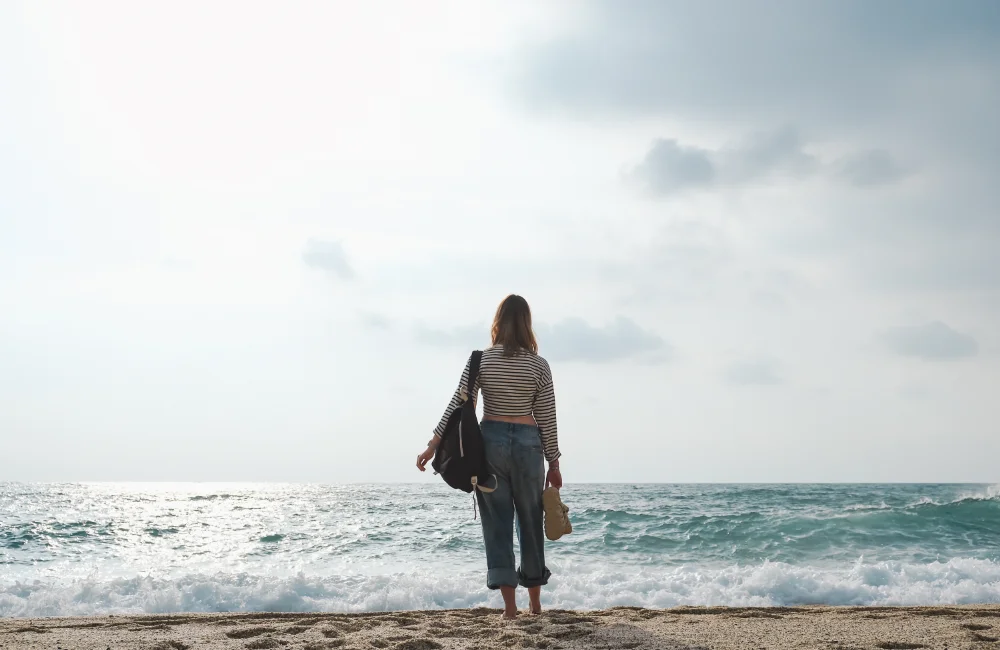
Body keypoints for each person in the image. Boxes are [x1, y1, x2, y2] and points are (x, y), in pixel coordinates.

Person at [416, 294, 562, 619]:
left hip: (491, 442)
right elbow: (547, 416)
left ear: (498, 322)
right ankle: (535, 604)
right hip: (528, 445)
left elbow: (458, 403)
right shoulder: (539, 365)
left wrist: (433, 444)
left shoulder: (480, 360)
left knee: (497, 525)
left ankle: (511, 609)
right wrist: (554, 462)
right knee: (530, 523)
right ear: (527, 324)